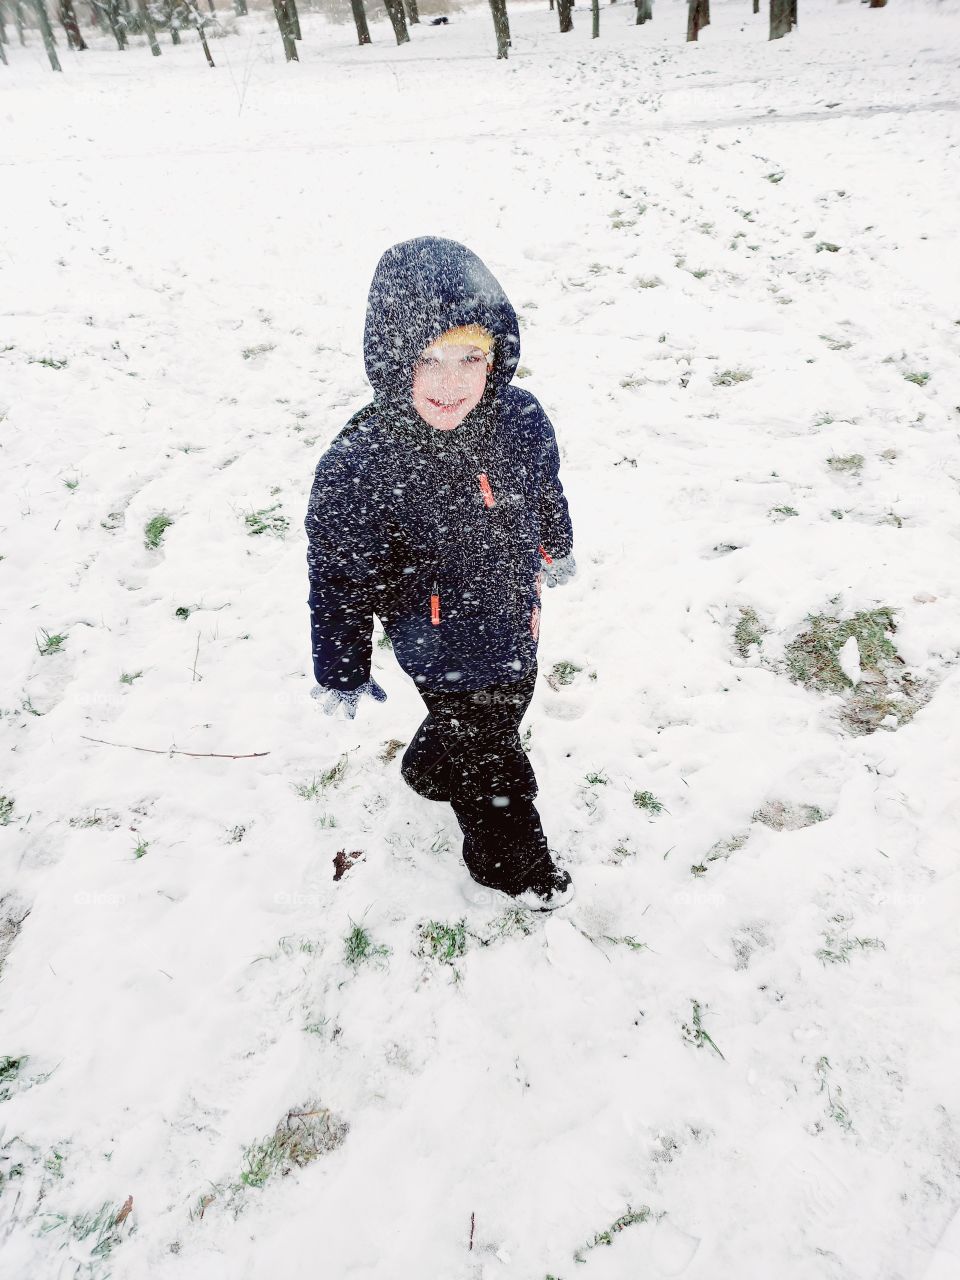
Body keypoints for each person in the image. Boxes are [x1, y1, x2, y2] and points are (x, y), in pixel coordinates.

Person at [304, 236, 576, 910]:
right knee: (495, 762)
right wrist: (342, 662)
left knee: (507, 707)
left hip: (515, 618)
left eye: (469, 357)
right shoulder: (363, 462)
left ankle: (430, 766)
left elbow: (546, 487)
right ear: (394, 358)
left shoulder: (519, 420)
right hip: (438, 646)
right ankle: (514, 870)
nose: (450, 381)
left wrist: (557, 540)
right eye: (428, 358)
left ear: (496, 356)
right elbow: (339, 574)